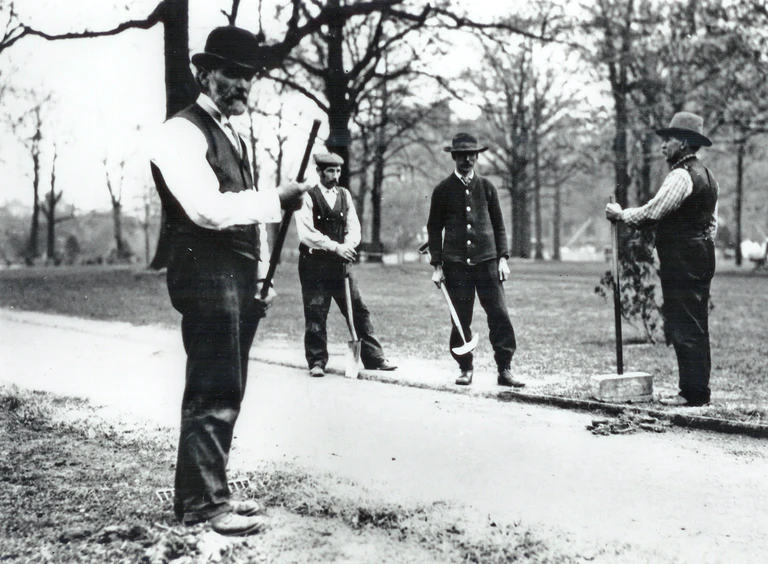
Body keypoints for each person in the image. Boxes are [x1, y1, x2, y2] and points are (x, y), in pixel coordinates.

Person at [149, 26, 311, 536]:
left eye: (247, 75)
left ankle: (208, 494)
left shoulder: (232, 132)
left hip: (235, 278)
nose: (241, 84)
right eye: (230, 73)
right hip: (205, 275)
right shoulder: (181, 132)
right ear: (203, 72)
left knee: (228, 386)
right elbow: (207, 210)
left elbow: (241, 218)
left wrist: (260, 275)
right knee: (212, 388)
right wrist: (275, 199)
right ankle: (201, 506)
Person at [606, 112, 718, 407]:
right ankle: (697, 391)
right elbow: (712, 224)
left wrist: (621, 215)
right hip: (701, 254)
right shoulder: (707, 175)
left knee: (684, 322)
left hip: (683, 257)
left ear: (683, 142)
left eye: (668, 140)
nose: (662, 146)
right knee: (696, 322)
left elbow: (653, 211)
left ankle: (692, 393)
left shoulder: (681, 176)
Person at [427, 133, 524, 388]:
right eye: (462, 155)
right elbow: (434, 229)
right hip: (455, 265)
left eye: (472, 155)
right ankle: (465, 368)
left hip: (487, 263)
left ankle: (505, 369)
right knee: (460, 319)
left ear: (477, 157)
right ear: (454, 157)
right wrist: (437, 265)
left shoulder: (488, 188)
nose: (467, 159)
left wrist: (503, 258)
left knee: (499, 315)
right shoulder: (442, 190)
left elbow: (499, 226)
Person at [294, 152, 396, 377]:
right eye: (330, 171)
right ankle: (317, 361)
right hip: (314, 266)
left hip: (341, 266)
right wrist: (335, 247)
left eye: (338, 171)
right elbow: (306, 234)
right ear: (319, 172)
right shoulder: (308, 197)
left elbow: (354, 227)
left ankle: (374, 358)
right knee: (316, 313)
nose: (335, 175)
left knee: (359, 310)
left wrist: (348, 245)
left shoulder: (344, 195)